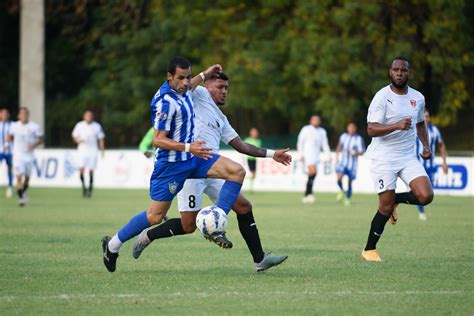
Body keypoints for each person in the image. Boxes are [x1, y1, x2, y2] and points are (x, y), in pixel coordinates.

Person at [132, 72, 291, 272]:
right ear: (206, 87)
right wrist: (205, 73)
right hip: (189, 170)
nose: (224, 91)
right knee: (188, 225)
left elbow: (240, 145)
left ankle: (259, 259)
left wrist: (272, 154)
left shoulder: (220, 117)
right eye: (220, 87)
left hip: (212, 170)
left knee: (243, 206)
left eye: (226, 88)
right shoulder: (195, 95)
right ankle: (148, 236)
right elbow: (183, 85)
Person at [101, 57, 246, 273]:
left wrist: (205, 73)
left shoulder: (184, 87)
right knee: (155, 216)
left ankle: (217, 219)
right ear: (169, 77)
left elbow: (194, 82)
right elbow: (158, 140)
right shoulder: (165, 103)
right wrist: (189, 148)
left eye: (188, 77)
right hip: (171, 166)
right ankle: (112, 245)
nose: (187, 82)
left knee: (237, 171)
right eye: (181, 78)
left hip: (194, 159)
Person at [361, 56, 434, 262]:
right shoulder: (382, 97)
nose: (399, 73)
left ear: (408, 73)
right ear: (390, 72)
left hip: (407, 156)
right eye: (396, 70)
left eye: (403, 70)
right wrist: (396, 125)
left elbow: (420, 124)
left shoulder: (417, 98)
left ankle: (396, 200)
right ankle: (369, 250)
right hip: (383, 158)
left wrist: (426, 145)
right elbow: (371, 129)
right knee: (384, 207)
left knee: (426, 196)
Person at [414, 110, 448, 221]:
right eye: (424, 116)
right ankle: (421, 212)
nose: (426, 118)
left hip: (431, 165)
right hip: (418, 165)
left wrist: (444, 162)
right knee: (421, 191)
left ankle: (420, 208)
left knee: (428, 191)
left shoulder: (435, 131)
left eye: (427, 116)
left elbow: (441, 145)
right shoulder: (415, 130)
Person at [6, 107, 44, 206]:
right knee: (19, 177)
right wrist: (7, 144)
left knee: (27, 179)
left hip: (29, 156)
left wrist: (34, 145)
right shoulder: (14, 126)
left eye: (26, 114)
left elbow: (41, 139)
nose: (24, 116)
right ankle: (21, 198)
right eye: (22, 114)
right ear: (19, 115)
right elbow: (9, 136)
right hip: (18, 155)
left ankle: (23, 194)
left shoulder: (34, 126)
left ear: (28, 115)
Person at [296, 115, 330, 204]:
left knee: (313, 174)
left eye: (317, 120)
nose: (316, 121)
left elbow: (325, 144)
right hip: (307, 155)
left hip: (316, 156)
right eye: (314, 120)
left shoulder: (322, 131)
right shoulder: (306, 129)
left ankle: (307, 194)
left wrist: (328, 154)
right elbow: (300, 142)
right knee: (312, 172)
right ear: (311, 121)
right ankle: (308, 194)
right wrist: (301, 154)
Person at [72, 110, 105, 198]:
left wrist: (102, 150)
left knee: (91, 170)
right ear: (84, 117)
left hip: (93, 150)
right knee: (81, 170)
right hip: (82, 150)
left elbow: (101, 138)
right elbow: (74, 136)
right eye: (87, 116)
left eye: (90, 116)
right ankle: (84, 187)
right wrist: (78, 140)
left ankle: (90, 189)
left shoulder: (97, 126)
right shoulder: (79, 125)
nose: (89, 118)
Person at [335, 122, 365, 206]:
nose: (351, 129)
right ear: (347, 128)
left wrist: (354, 153)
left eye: (352, 127)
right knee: (339, 178)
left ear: (355, 129)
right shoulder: (343, 136)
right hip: (343, 162)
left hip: (352, 165)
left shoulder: (358, 139)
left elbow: (362, 152)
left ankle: (348, 198)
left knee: (349, 182)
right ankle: (341, 190)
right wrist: (337, 155)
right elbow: (339, 146)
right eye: (349, 127)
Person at [0, 108, 14, 198]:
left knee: (10, 168)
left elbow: (12, 136)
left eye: (6, 114)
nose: (4, 115)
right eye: (3, 114)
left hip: (9, 151)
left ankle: (10, 186)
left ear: (8, 115)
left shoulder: (12, 125)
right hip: (0, 151)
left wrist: (7, 144)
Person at [243, 128, 261, 192]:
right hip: (249, 159)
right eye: (253, 132)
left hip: (254, 159)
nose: (254, 134)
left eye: (255, 132)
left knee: (254, 175)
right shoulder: (247, 140)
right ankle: (251, 188)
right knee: (252, 173)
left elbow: (258, 150)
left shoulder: (258, 141)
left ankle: (250, 186)